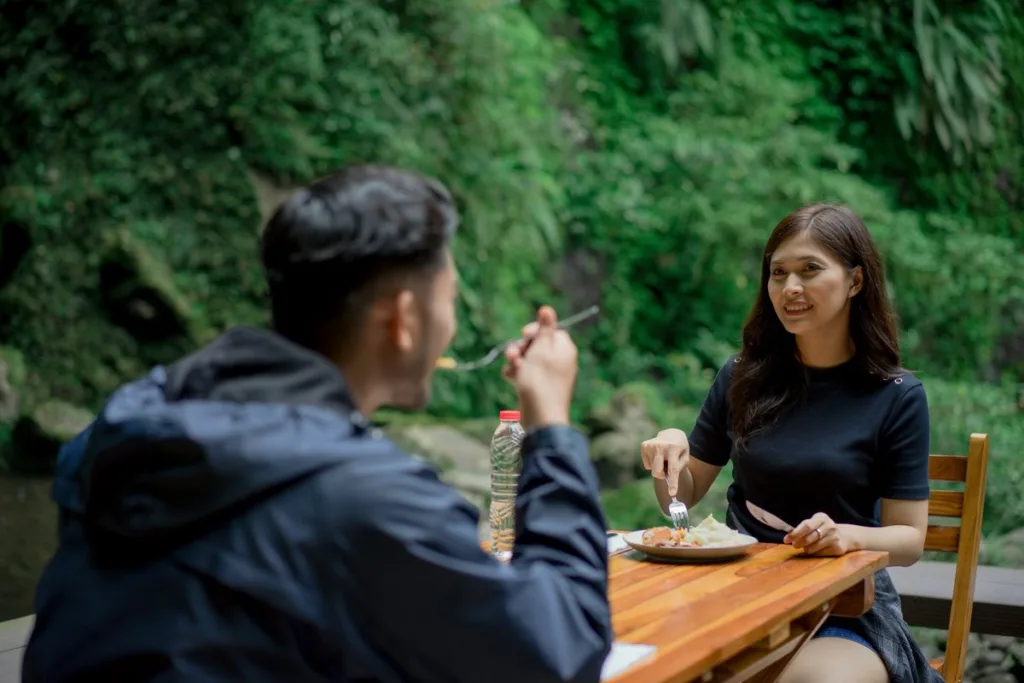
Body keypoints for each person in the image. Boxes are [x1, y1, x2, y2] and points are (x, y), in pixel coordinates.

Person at [22, 165, 613, 683]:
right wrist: (550, 427)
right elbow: (560, 648)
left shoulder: (134, 419)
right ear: (404, 319)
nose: (452, 324)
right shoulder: (358, 498)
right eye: (450, 299)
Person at [640, 204, 942, 683]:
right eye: (778, 273)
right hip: (736, 594)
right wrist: (668, 451)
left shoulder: (897, 396)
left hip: (842, 608)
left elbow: (909, 539)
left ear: (856, 281)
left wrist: (848, 536)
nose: (790, 288)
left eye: (810, 270)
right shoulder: (742, 376)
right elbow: (681, 499)